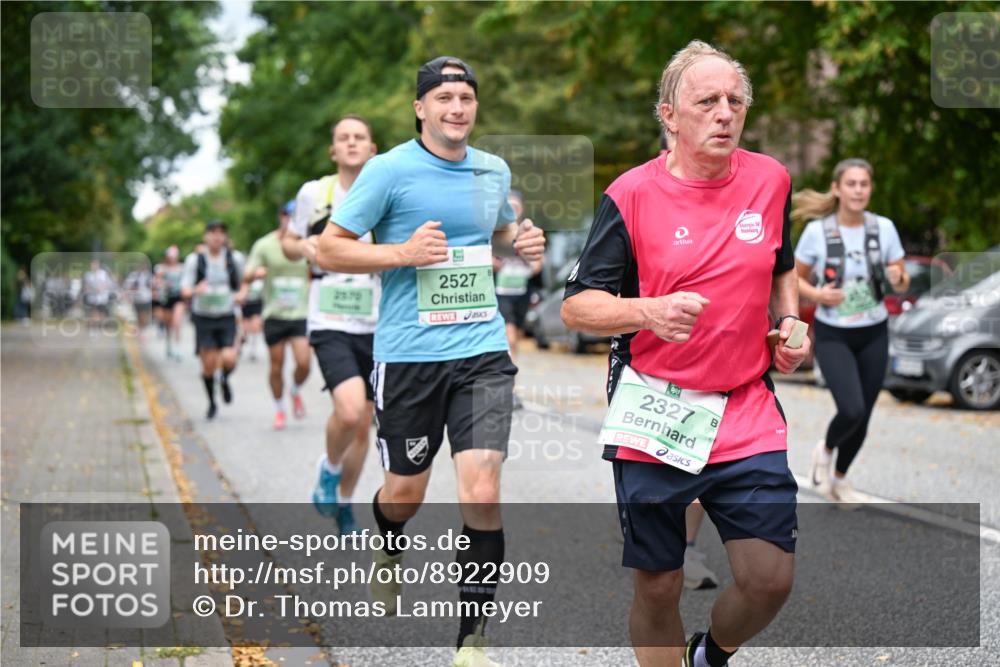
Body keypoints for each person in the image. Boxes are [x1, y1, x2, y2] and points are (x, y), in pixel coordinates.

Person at [560, 40, 810, 667]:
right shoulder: (632, 194)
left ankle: (710, 654)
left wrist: (788, 322)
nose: (725, 113)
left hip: (745, 407)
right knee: (660, 582)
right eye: (707, 102)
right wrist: (647, 310)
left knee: (769, 579)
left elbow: (781, 265)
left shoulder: (771, 179)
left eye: (735, 101)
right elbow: (577, 306)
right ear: (670, 115)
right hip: (656, 410)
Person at [316, 57, 545, 667]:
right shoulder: (387, 171)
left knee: (484, 490)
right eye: (444, 97)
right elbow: (329, 247)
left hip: (481, 352)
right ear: (421, 107)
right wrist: (402, 252)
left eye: (466, 97)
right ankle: (388, 539)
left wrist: (519, 240)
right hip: (409, 358)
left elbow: (496, 232)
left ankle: (472, 639)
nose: (457, 109)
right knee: (405, 491)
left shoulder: (493, 171)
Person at [283, 114, 379, 535]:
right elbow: (288, 242)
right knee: (350, 408)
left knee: (364, 424)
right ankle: (330, 467)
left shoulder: (387, 190)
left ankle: (344, 500)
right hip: (330, 318)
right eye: (344, 137)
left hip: (379, 321)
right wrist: (301, 245)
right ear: (334, 150)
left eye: (360, 137)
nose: (353, 143)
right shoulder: (314, 193)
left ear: (373, 148)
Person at [792, 158, 908, 508]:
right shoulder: (818, 232)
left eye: (864, 184)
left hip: (873, 330)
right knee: (852, 408)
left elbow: (900, 277)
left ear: (870, 189)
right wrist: (818, 295)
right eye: (852, 184)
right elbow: (793, 279)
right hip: (834, 332)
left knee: (865, 415)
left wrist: (898, 278)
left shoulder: (883, 228)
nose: (858, 190)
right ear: (837, 189)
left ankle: (840, 480)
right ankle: (825, 451)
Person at [244, 200, 311, 430]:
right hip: (274, 313)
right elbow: (247, 274)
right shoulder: (264, 245)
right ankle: (279, 407)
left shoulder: (307, 244)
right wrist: (255, 274)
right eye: (287, 215)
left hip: (300, 313)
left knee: (304, 363)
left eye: (296, 216)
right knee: (276, 365)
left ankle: (294, 390)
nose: (290, 220)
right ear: (281, 217)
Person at [181, 221, 244, 420]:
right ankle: (211, 402)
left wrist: (241, 294)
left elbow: (243, 284)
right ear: (205, 236)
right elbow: (184, 290)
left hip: (226, 314)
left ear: (225, 237)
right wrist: (195, 291)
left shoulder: (235, 258)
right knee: (208, 366)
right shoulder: (195, 260)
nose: (217, 237)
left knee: (229, 357)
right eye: (213, 233)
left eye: (220, 233)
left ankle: (224, 379)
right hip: (204, 317)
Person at [493, 190, 543, 409]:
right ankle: (508, 390)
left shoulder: (528, 231)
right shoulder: (498, 231)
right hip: (501, 292)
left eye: (516, 205)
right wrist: (501, 262)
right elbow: (487, 259)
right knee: (510, 339)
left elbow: (538, 263)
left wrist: (527, 260)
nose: (513, 209)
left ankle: (511, 387)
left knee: (516, 343)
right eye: (509, 205)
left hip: (521, 293)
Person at [156, 245, 186, 360]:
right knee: (169, 324)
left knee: (177, 322)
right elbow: (157, 281)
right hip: (167, 298)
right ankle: (169, 345)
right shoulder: (162, 268)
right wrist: (164, 284)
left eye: (174, 256)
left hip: (179, 298)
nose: (173, 258)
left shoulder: (182, 268)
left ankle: (178, 348)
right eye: (171, 256)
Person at [82, 259, 115, 334]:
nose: (93, 266)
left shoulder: (103, 274)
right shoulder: (88, 275)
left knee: (101, 314)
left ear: (98, 265)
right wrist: (88, 289)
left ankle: (98, 325)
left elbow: (109, 284)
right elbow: (86, 286)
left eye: (95, 265)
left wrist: (102, 288)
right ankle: (94, 328)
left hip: (102, 298)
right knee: (93, 312)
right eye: (92, 265)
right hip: (92, 297)